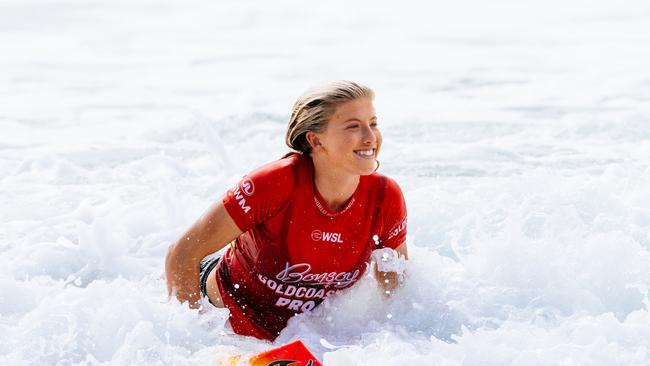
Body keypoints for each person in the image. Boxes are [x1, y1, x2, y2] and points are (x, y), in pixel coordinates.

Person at [165, 81, 408, 341]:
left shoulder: (385, 197)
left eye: (373, 123)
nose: (370, 137)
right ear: (315, 140)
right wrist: (196, 340)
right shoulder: (274, 184)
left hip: (302, 337)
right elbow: (182, 255)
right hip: (225, 324)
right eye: (353, 126)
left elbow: (394, 287)